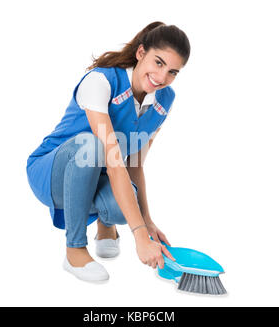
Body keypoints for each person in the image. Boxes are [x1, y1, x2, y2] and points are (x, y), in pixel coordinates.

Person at [26, 21, 190, 282]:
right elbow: (114, 160)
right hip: (52, 172)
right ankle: (75, 250)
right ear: (140, 53)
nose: (162, 78)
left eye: (173, 72)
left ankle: (107, 225)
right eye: (158, 63)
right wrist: (138, 236)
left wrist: (146, 223)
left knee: (125, 203)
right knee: (91, 146)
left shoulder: (164, 100)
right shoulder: (101, 81)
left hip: (101, 174)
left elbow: (133, 164)